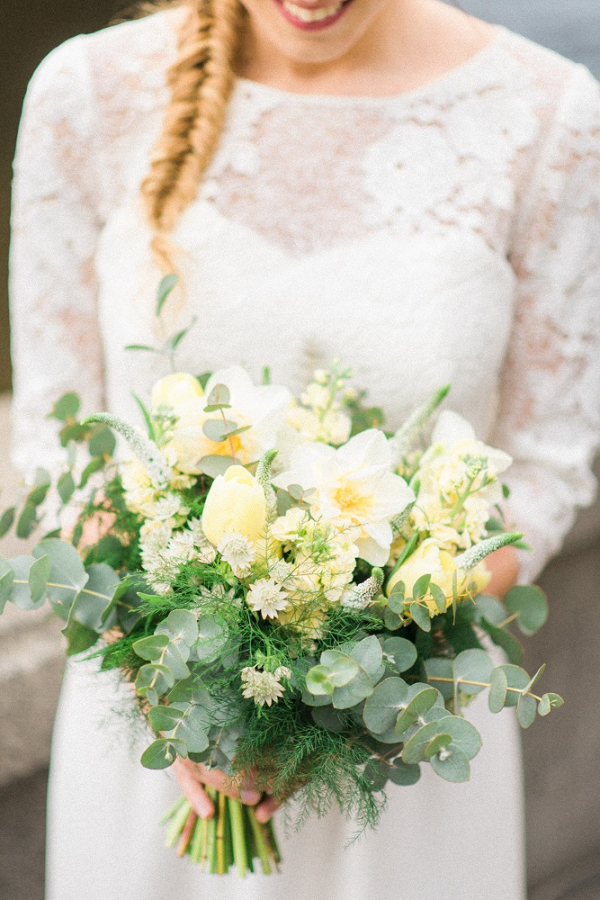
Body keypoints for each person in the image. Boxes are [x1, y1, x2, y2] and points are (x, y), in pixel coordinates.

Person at [8, 0, 600, 898]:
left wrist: (351, 665)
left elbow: (546, 469)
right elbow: (61, 443)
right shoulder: (87, 92)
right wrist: (181, 697)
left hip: (408, 730)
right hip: (152, 733)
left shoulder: (551, 115)